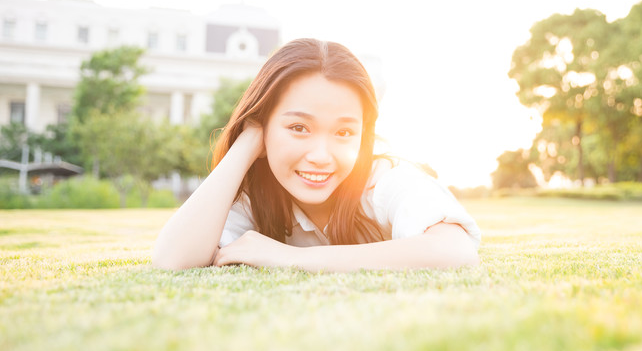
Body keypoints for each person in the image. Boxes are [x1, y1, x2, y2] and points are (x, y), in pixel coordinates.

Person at [153, 38, 480, 272]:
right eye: (298, 128)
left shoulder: (385, 180)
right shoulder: (257, 197)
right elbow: (173, 259)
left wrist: (287, 258)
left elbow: (454, 249)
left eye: (343, 133)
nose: (321, 156)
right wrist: (249, 140)